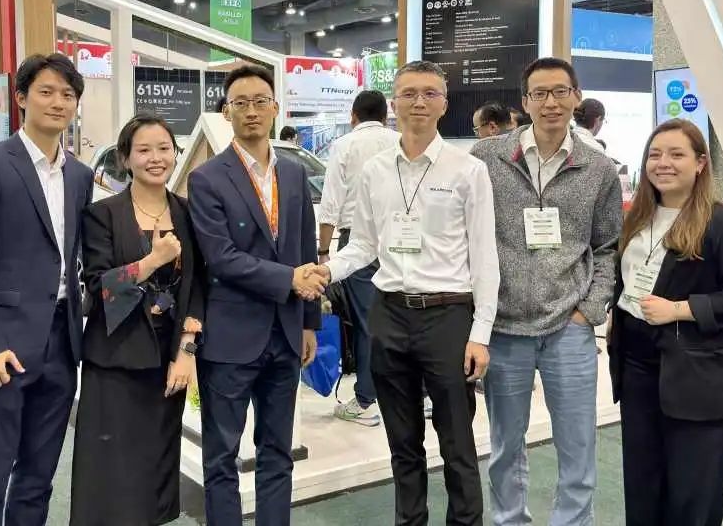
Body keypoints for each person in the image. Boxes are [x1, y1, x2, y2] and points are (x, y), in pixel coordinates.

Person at [314, 61, 498, 526]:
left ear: (445, 104)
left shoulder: (469, 170)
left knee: (457, 443)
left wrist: (480, 333)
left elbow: (485, 257)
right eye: (409, 93)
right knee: (402, 444)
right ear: (393, 103)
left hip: (448, 316)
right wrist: (326, 269)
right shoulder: (375, 171)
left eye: (430, 93)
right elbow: (363, 245)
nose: (419, 102)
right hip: (390, 314)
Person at [470, 57, 624, 526]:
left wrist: (589, 310)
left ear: (576, 97)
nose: (551, 102)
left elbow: (608, 246)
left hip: (569, 330)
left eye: (560, 91)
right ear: (525, 101)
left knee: (578, 443)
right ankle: (509, 519)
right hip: (504, 328)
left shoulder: (598, 168)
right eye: (540, 93)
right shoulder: (487, 159)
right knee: (505, 445)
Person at [0, 53, 94, 526]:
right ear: (21, 98)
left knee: (38, 476)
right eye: (46, 92)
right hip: (3, 343)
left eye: (68, 95)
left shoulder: (79, 175)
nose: (58, 102)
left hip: (62, 342)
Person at [609, 119, 723, 526]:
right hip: (637, 368)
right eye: (655, 154)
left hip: (698, 374)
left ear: (700, 163)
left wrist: (679, 309)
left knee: (694, 494)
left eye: (676, 154)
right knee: (643, 486)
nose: (663, 163)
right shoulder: (638, 217)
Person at [187, 64, 322, 526]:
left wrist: (309, 322)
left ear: (275, 108)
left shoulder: (294, 174)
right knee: (221, 455)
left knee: (277, 453)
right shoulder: (207, 178)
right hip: (229, 339)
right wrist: (290, 281)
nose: (251, 111)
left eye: (260, 101)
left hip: (286, 333)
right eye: (240, 103)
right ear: (226, 112)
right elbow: (221, 258)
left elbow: (306, 250)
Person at [71, 115, 208, 526]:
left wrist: (186, 352)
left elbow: (197, 286)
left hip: (167, 359)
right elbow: (99, 287)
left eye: (164, 148)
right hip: (116, 359)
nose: (155, 158)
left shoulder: (187, 213)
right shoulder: (103, 214)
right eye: (144, 150)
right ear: (125, 158)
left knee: (156, 464)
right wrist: (152, 261)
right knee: (109, 467)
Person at [317, 89, 399, 427]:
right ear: (385, 115)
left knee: (368, 322)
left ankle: (366, 399)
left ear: (353, 116)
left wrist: (324, 252)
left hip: (359, 241)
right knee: (405, 315)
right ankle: (420, 394)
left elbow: (331, 202)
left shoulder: (345, 145)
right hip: (401, 237)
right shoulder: (400, 140)